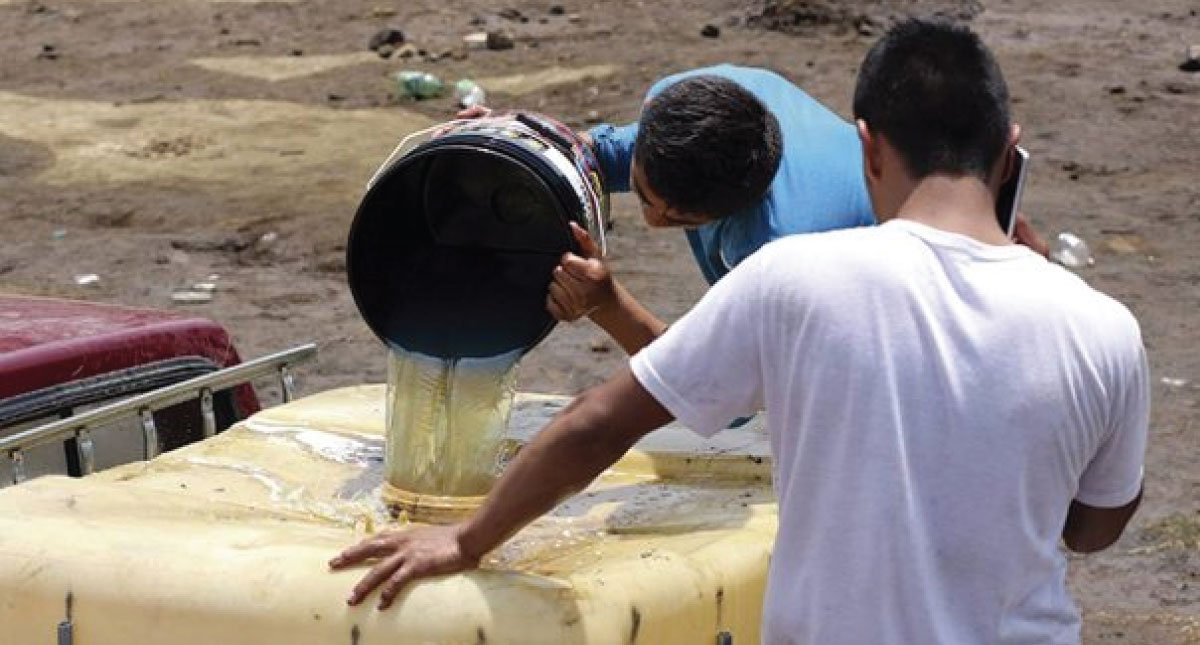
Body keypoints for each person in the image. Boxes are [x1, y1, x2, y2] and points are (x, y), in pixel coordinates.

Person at [331, 18, 1148, 644]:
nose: (649, 220)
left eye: (669, 214)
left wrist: (466, 539)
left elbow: (604, 421)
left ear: (868, 147)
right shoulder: (1107, 329)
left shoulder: (796, 268)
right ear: (1009, 153)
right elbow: (1093, 526)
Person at [538, 63, 1047, 355]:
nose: (653, 222)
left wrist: (607, 305)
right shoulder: (684, 105)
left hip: (897, 330)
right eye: (643, 195)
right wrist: (495, 133)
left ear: (736, 210)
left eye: (680, 220)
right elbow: (597, 154)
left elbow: (716, 388)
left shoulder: (783, 254)